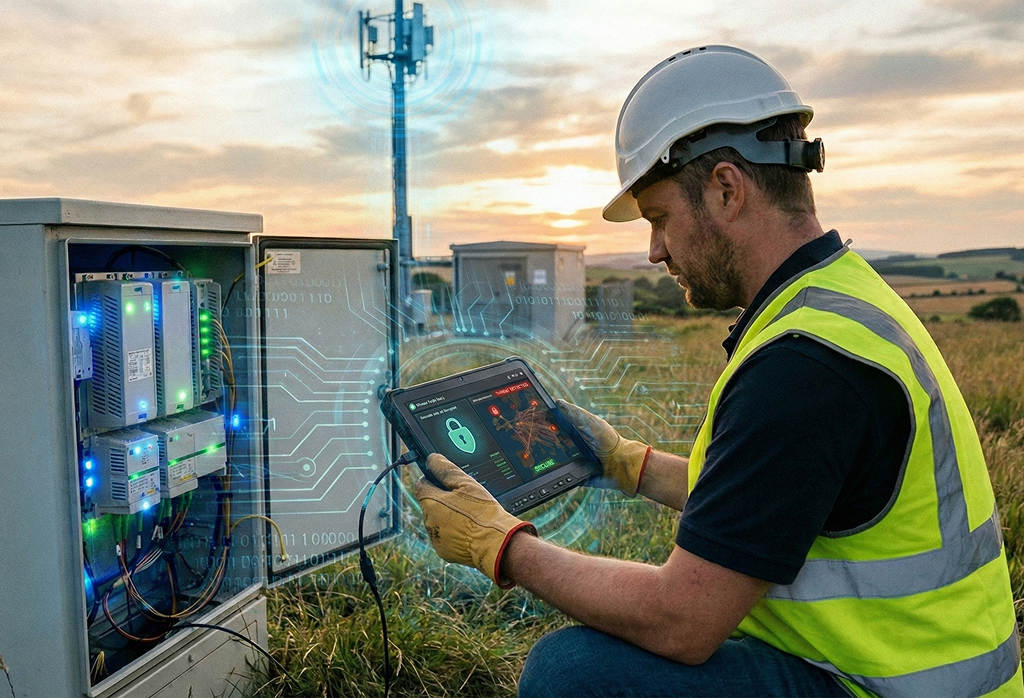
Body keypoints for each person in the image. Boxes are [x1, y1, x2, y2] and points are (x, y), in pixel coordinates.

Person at [413, 45, 1023, 697]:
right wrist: (627, 462)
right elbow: (777, 494)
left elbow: (682, 621)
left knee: (573, 674)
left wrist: (502, 547)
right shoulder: (836, 304)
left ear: (727, 190)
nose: (651, 251)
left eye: (659, 219)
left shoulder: (803, 367)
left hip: (879, 688)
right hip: (902, 673)